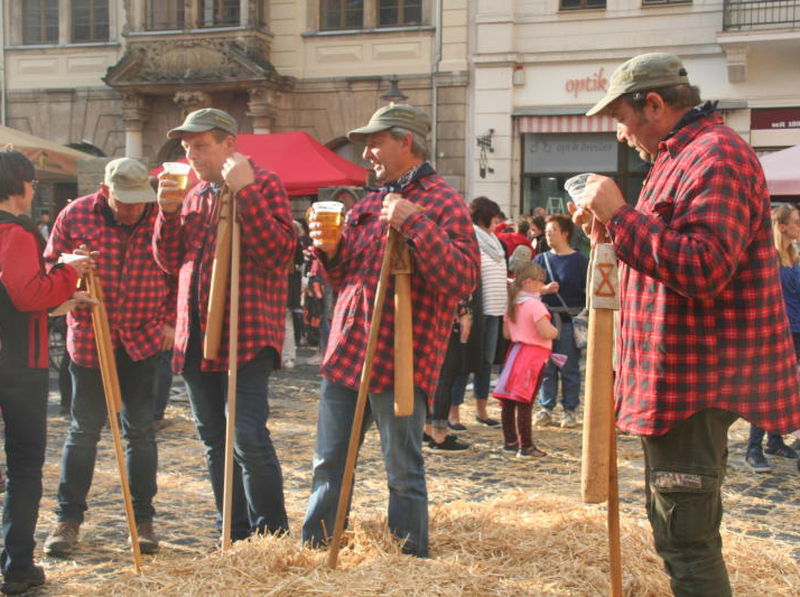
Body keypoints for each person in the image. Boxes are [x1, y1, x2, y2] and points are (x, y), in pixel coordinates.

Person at [575, 52, 800, 597]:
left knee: (687, 543)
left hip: (694, 385)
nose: (622, 133)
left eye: (624, 118)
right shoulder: (683, 157)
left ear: (653, 103)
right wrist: (609, 231)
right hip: (677, 381)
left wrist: (622, 216)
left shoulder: (715, 155)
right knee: (681, 536)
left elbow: (702, 267)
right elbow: (665, 259)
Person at [302, 103, 479, 557]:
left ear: (406, 141)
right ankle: (316, 552)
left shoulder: (444, 201)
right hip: (348, 353)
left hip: (400, 358)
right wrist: (329, 250)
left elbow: (462, 279)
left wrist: (414, 222)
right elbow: (348, 279)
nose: (366, 153)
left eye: (375, 141)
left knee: (403, 470)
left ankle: (407, 562)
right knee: (329, 465)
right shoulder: (368, 201)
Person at [154, 108, 294, 543]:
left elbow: (280, 254)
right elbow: (168, 262)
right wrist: (165, 213)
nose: (192, 155)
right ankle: (231, 533)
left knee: (247, 435)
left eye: (201, 145)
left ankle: (269, 538)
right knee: (215, 439)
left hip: (245, 331)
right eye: (187, 148)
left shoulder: (264, 183)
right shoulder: (193, 195)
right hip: (195, 334)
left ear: (230, 144)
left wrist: (245, 192)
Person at [42, 158, 175, 558]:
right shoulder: (76, 214)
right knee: (84, 431)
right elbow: (49, 265)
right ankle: (67, 520)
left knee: (140, 431)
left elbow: (179, 272)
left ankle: (143, 520)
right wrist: (70, 272)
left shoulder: (162, 217)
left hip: (144, 337)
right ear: (105, 191)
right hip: (90, 338)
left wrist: (171, 322)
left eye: (139, 200)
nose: (133, 209)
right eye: (124, 201)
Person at [0, 149, 94, 595]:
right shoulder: (14, 231)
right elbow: (26, 295)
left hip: (13, 354)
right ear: (18, 187)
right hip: (17, 366)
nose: (35, 189)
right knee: (23, 467)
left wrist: (66, 298)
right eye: (32, 182)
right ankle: (17, 565)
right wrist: (67, 272)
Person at [744, 204, 800, 471]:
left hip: (797, 330)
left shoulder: (796, 256)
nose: (799, 227)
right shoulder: (766, 257)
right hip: (772, 331)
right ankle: (753, 448)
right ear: (781, 227)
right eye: (796, 222)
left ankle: (775, 440)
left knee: (785, 388)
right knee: (766, 388)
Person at [448, 197, 506, 429]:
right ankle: (453, 414)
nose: (498, 220)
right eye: (494, 216)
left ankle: (481, 411)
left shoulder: (494, 242)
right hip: (475, 310)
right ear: (484, 216)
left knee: (485, 362)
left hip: (495, 309)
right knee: (465, 363)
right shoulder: (470, 239)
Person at [493, 262, 557, 458]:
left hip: (515, 353)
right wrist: (555, 331)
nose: (542, 285)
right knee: (525, 401)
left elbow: (506, 333)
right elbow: (546, 331)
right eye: (540, 282)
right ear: (528, 282)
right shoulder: (535, 306)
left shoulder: (513, 303)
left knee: (509, 400)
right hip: (533, 356)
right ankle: (526, 446)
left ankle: (510, 442)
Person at [533, 214, 588, 429]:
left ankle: (570, 410)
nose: (548, 235)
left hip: (567, 321)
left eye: (552, 230)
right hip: (545, 320)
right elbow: (526, 288)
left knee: (568, 367)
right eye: (546, 231)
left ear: (565, 233)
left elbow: (588, 292)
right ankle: (546, 407)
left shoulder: (580, 261)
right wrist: (545, 290)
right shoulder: (540, 259)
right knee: (546, 367)